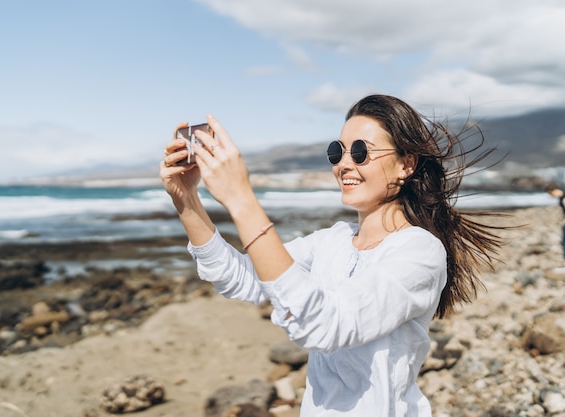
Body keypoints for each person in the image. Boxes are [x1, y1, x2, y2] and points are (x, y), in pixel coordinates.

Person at [160, 94, 503, 416]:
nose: (344, 164)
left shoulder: (420, 252)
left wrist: (242, 200)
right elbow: (243, 279)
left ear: (406, 164)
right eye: (336, 152)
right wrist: (186, 200)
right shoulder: (333, 241)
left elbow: (326, 325)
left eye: (360, 152)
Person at [547, 184, 565, 258]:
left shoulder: (563, 198)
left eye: (551, 194)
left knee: (564, 242)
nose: (552, 196)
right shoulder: (561, 198)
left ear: (554, 190)